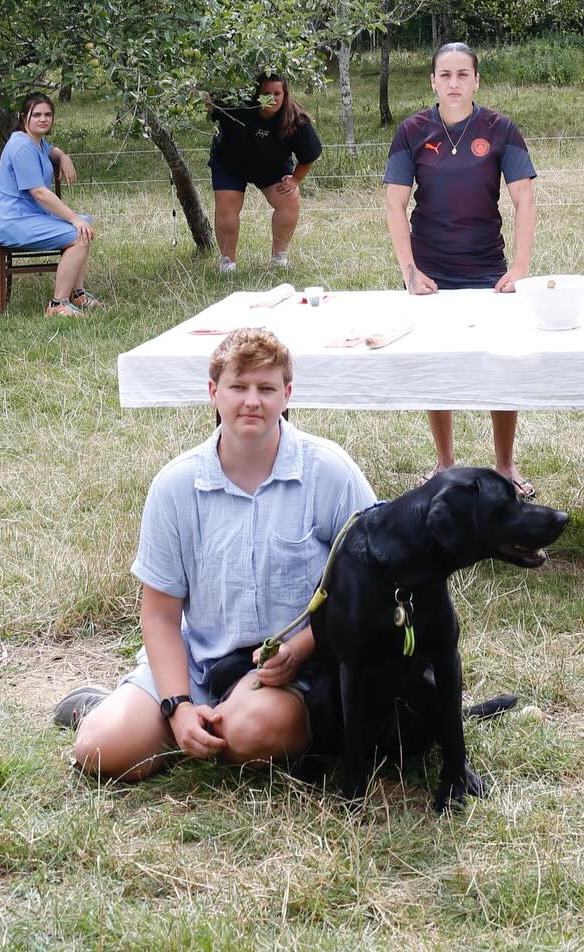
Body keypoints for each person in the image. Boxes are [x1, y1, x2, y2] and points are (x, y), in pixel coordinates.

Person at [62, 327, 375, 781]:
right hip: (200, 660)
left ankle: (193, 729)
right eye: (238, 387)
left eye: (266, 388)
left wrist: (303, 645)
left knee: (251, 733)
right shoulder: (175, 486)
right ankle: (139, 715)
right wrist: (177, 705)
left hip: (288, 669)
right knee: (100, 751)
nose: (252, 401)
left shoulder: (330, 472)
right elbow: (160, 617)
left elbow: (369, 584)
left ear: (287, 395)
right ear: (213, 393)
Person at [383, 41, 538, 498]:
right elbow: (395, 203)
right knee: (436, 366)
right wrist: (409, 270)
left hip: (489, 270)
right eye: (444, 74)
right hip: (429, 272)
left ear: (476, 80)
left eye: (462, 74)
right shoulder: (411, 131)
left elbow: (524, 198)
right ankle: (444, 463)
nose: (453, 83)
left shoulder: (500, 128)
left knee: (501, 364)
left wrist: (521, 267)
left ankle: (505, 467)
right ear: (432, 81)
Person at [0, 92, 98, 317]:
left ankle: (78, 294)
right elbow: (39, 193)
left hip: (27, 216)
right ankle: (58, 304)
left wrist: (63, 156)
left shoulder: (35, 141)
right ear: (24, 116)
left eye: (47, 114)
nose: (43, 119)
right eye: (36, 115)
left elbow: (50, 150)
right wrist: (72, 218)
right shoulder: (21, 146)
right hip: (11, 220)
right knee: (79, 233)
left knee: (84, 222)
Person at [206, 76, 322, 275]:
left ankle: (279, 259)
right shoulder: (238, 104)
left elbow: (309, 155)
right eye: (266, 94)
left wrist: (295, 179)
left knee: (290, 199)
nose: (272, 99)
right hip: (230, 164)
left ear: (285, 95)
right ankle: (227, 263)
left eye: (277, 94)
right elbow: (209, 102)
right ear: (256, 95)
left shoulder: (295, 118)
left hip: (271, 168)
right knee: (227, 205)